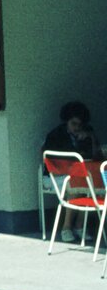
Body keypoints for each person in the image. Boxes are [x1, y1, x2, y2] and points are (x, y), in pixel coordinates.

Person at [41, 101, 101, 242]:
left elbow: (98, 156)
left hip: (79, 175)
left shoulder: (87, 132)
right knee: (76, 186)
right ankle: (66, 227)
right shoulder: (56, 135)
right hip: (55, 175)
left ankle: (79, 226)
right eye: (73, 124)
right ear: (66, 121)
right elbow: (50, 160)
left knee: (90, 185)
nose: (77, 128)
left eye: (79, 125)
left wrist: (90, 139)